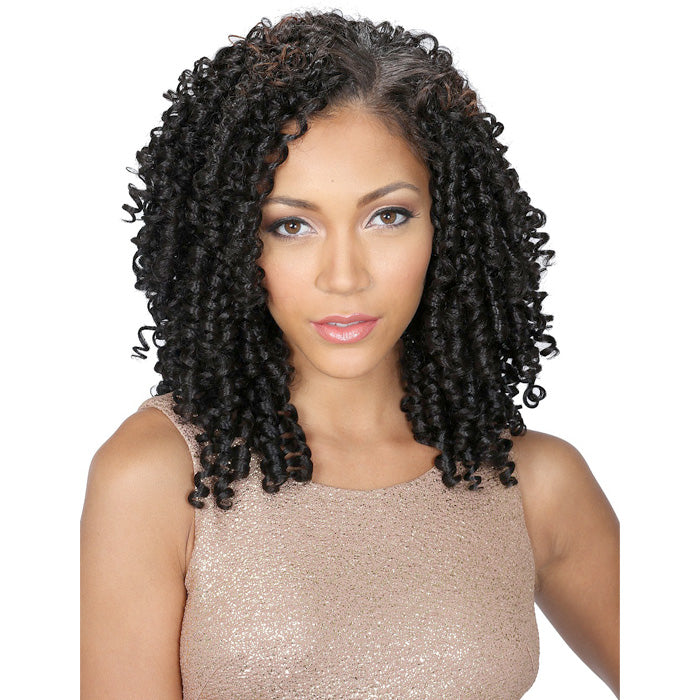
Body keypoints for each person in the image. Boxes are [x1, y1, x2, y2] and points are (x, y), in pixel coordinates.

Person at [80, 9, 620, 699]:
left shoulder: (537, 484)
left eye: (387, 216)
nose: (344, 276)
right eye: (291, 225)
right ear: (230, 242)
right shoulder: (160, 475)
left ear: (451, 227)